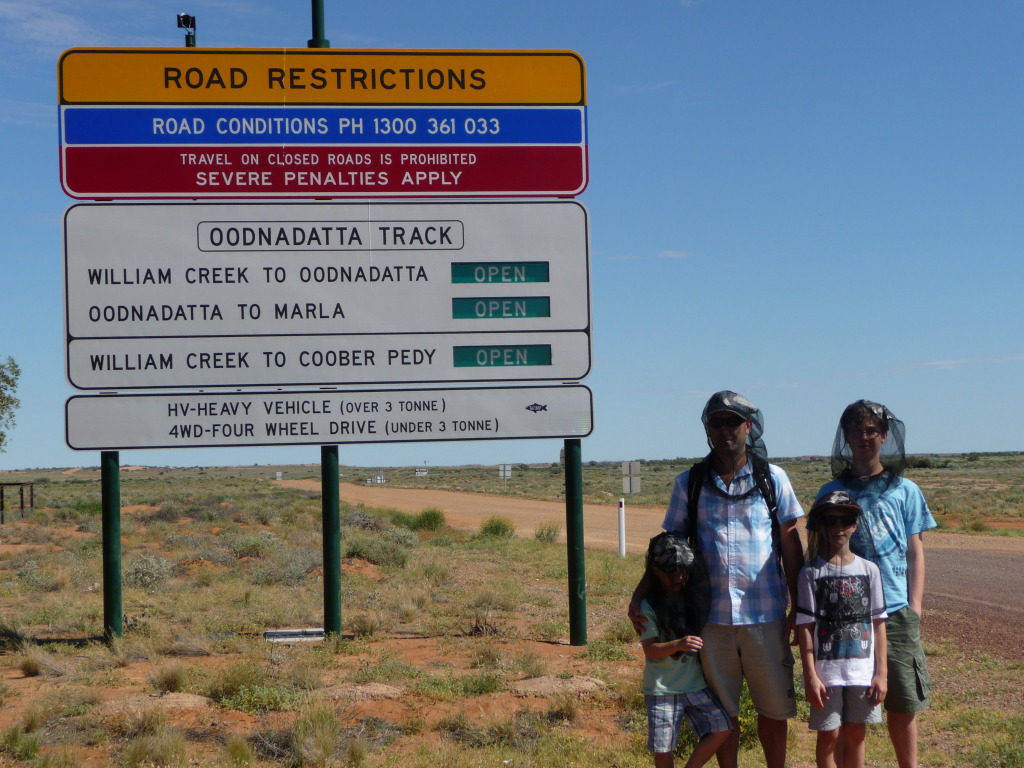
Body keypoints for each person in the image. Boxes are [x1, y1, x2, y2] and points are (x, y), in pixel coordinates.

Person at [630, 391, 805, 768]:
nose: (724, 430)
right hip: (710, 620)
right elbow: (667, 549)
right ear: (707, 429)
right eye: (716, 422)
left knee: (773, 712)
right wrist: (638, 597)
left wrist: (801, 607)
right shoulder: (689, 483)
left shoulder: (773, 479)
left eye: (732, 422)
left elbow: (791, 546)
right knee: (723, 717)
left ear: (748, 427)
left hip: (767, 616)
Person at [817, 400, 936, 768]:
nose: (865, 437)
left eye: (872, 430)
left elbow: (915, 551)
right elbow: (818, 550)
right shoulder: (831, 490)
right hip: (843, 616)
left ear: (884, 436)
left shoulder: (906, 490)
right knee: (851, 717)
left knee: (902, 705)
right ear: (846, 437)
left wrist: (914, 605)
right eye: (857, 430)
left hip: (897, 611)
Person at [797, 490, 888, 768]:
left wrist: (881, 672)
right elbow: (804, 627)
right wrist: (810, 674)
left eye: (845, 520)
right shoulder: (811, 573)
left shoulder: (869, 570)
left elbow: (878, 622)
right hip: (827, 673)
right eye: (831, 521)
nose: (838, 527)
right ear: (821, 526)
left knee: (856, 732)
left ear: (855, 524)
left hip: (862, 669)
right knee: (829, 734)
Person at [639, 532, 733, 768]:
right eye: (672, 571)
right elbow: (649, 650)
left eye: (683, 570)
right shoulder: (648, 606)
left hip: (693, 684)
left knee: (722, 726)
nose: (679, 576)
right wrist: (678, 645)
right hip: (662, 688)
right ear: (656, 571)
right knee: (664, 747)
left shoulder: (691, 596)